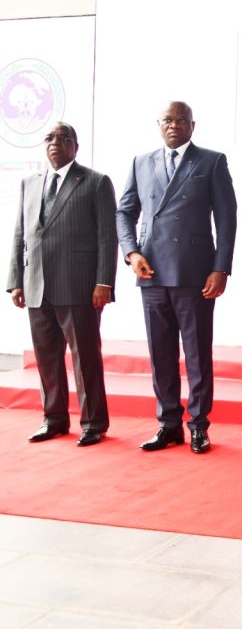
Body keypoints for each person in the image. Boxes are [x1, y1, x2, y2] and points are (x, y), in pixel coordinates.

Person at [115, 101, 238, 454]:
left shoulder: (211, 161)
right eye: (167, 120)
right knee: (161, 355)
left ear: (192, 126)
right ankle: (168, 424)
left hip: (194, 272)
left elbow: (227, 217)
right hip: (151, 269)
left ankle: (198, 425)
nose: (174, 125)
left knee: (197, 355)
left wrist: (221, 268)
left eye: (181, 120)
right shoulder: (141, 162)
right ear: (159, 124)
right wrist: (132, 252)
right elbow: (124, 212)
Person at [6, 122, 117, 447]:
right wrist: (15, 280)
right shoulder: (29, 183)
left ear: (75, 147)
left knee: (85, 358)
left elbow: (107, 237)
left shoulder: (95, 182)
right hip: (36, 285)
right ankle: (53, 419)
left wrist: (104, 282)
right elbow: (20, 234)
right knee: (47, 357)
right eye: (50, 138)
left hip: (79, 287)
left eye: (63, 138)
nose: (55, 142)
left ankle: (94, 423)